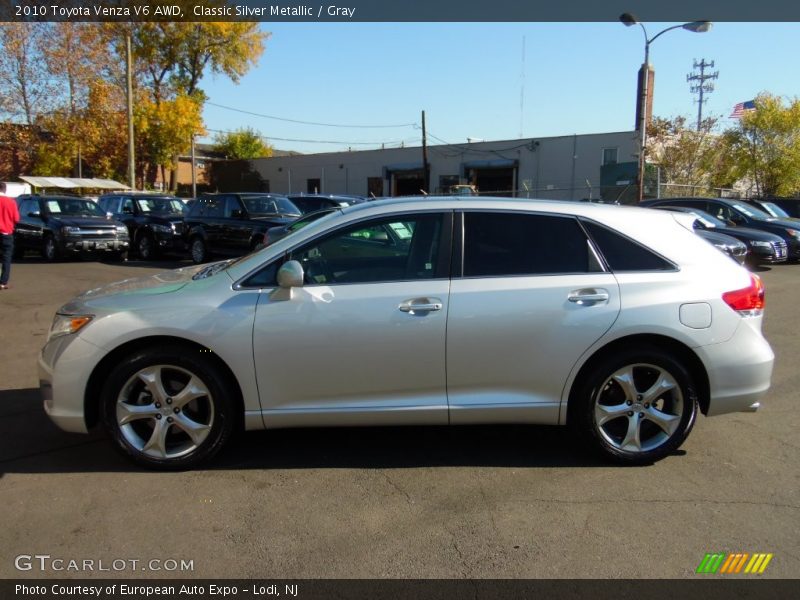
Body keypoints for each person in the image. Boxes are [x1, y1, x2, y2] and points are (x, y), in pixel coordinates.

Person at [0, 193, 20, 290]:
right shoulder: (11, 202)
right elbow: (16, 218)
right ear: (5, 190)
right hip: (6, 233)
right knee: (6, 258)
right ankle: (3, 282)